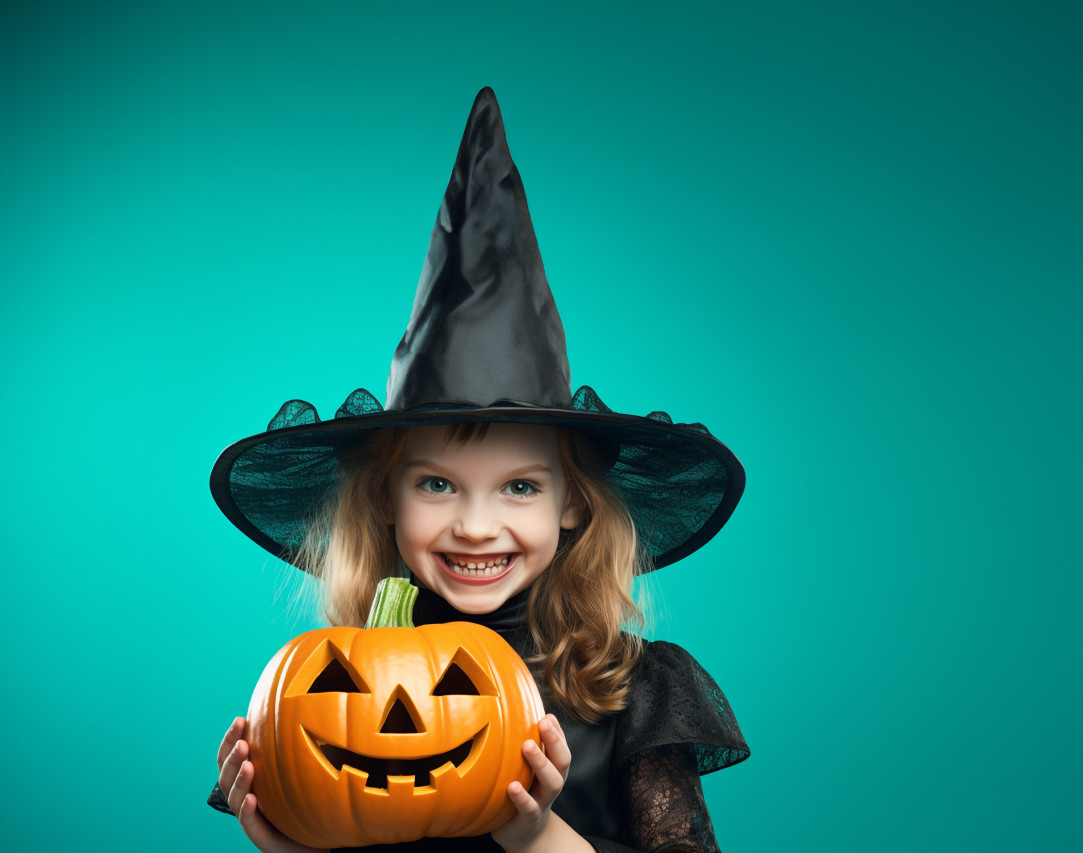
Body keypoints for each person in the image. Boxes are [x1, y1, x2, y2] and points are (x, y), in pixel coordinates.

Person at [208, 88, 748, 853]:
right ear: (386, 498)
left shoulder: (635, 686)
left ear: (571, 503)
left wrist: (534, 835)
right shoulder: (327, 683)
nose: (474, 524)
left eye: (520, 486)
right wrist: (298, 844)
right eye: (436, 484)